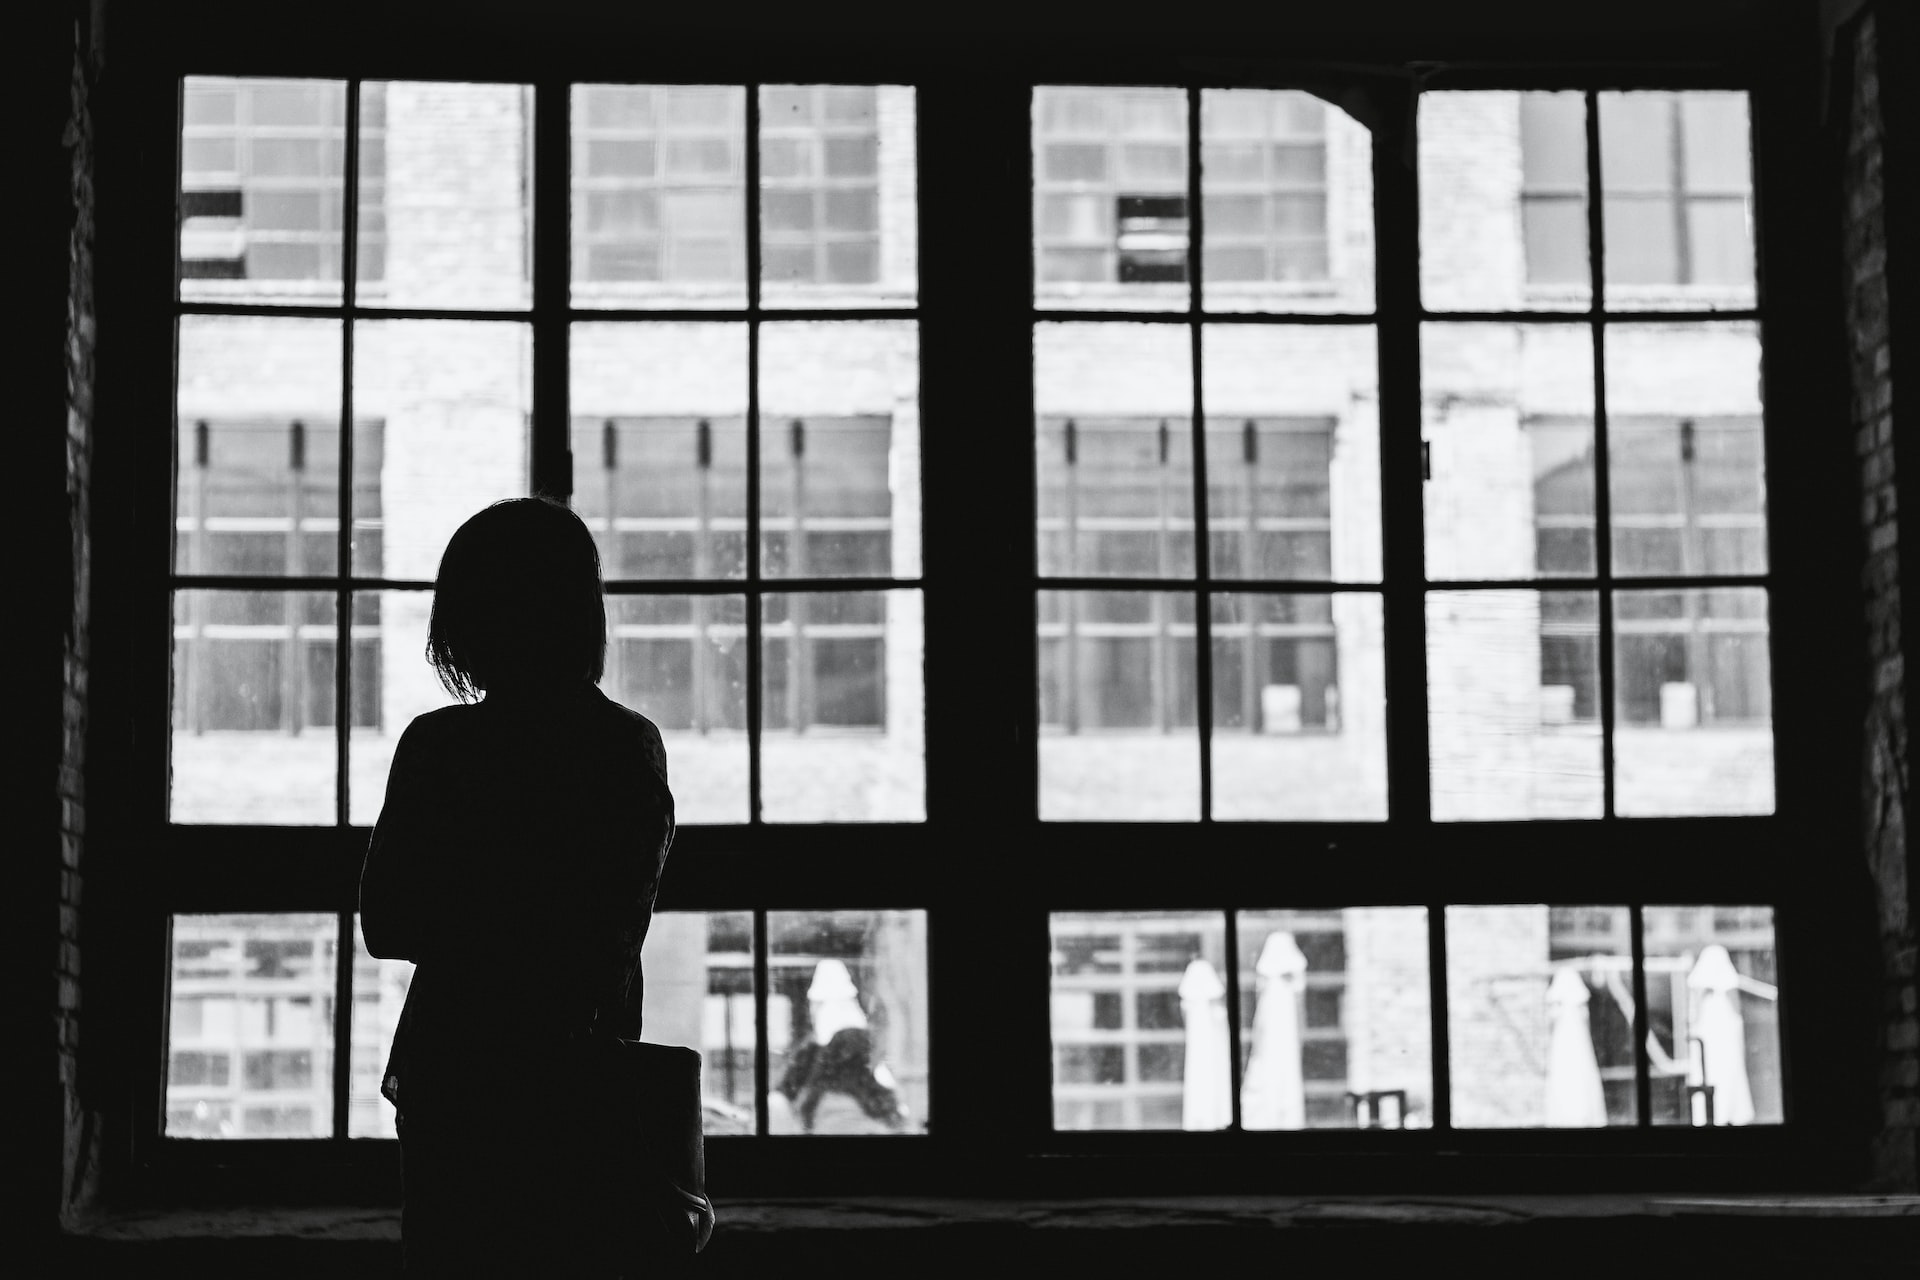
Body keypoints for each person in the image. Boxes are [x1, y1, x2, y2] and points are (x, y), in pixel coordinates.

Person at [360, 497, 676, 1276]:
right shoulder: (622, 749)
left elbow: (388, 922)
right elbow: (603, 937)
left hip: (456, 1076)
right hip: (580, 1081)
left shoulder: (438, 748)